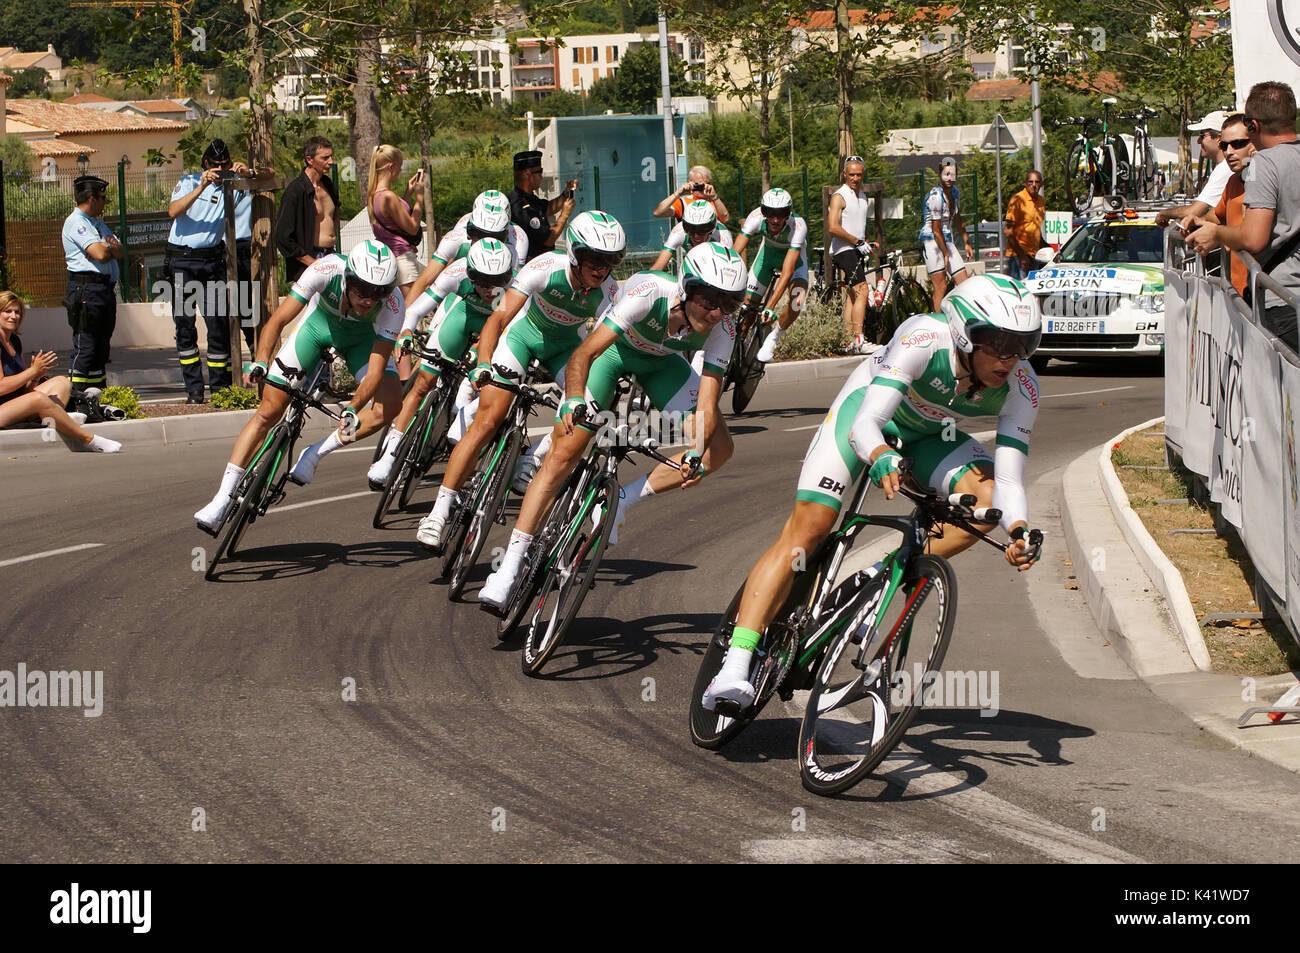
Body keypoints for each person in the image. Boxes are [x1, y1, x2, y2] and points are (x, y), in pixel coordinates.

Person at [702, 274, 1044, 711]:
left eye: (1021, 346)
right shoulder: (923, 338)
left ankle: (882, 576)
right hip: (870, 414)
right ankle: (734, 664)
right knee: (811, 528)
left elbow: (1011, 480)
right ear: (962, 333)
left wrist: (1018, 531)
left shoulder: (1024, 387)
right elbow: (867, 423)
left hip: (932, 435)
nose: (1009, 359)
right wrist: (880, 454)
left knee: (987, 510)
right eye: (996, 343)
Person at [478, 242, 748, 609]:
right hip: (613, 354)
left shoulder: (724, 329)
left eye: (727, 304)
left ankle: (622, 498)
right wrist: (573, 398)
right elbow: (585, 353)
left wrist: (696, 452)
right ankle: (509, 565)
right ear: (686, 289)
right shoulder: (647, 293)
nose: (716, 312)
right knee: (565, 452)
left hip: (663, 365)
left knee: (721, 448)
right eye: (709, 300)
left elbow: (707, 402)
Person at [415, 210, 623, 553]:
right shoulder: (544, 268)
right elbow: (498, 319)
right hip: (522, 338)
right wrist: (483, 364)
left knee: (586, 408)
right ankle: (438, 512)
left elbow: (599, 353)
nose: (601, 268)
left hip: (565, 350)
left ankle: (532, 457)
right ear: (574, 253)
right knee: (487, 421)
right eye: (593, 259)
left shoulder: (609, 292)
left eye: (610, 261)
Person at [193, 241, 405, 532]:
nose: (370, 299)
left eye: (379, 291)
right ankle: (221, 498)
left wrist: (352, 409)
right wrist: (260, 360)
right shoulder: (326, 269)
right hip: (317, 328)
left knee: (390, 405)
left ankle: (315, 453)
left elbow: (375, 373)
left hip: (361, 341)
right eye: (363, 289)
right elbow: (277, 320)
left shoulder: (393, 304)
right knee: (269, 411)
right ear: (348, 278)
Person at [367, 238, 516, 488]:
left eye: (497, 282)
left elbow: (513, 330)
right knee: (422, 384)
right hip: (462, 319)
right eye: (482, 282)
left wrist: (480, 354)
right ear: (470, 274)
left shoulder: (515, 285)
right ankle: (390, 453)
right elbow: (415, 310)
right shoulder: (456, 273)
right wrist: (405, 333)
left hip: (499, 330)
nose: (490, 289)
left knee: (488, 387)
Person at [1188, 82, 1300, 350]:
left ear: (1253, 126)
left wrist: (1216, 233)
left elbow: (1253, 238)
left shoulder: (1264, 163)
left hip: (1283, 303)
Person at [166, 138, 253, 403]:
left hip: (211, 261)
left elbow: (267, 177)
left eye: (224, 164)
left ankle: (220, 389)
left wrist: (247, 173)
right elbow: (174, 211)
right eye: (215, 166)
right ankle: (193, 389)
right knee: (184, 326)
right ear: (205, 165)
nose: (220, 170)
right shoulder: (189, 182)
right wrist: (203, 184)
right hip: (181, 260)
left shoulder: (234, 185)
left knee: (217, 326)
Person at [0, 291, 121, 452]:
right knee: (38, 398)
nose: (13, 316)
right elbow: (1, 387)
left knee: (62, 382)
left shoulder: (15, 341)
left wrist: (35, 376)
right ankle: (88, 439)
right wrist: (32, 371)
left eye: (17, 312)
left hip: (14, 405)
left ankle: (51, 417)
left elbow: (23, 391)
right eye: (7, 311)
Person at [732, 188, 810, 364]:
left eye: (781, 214)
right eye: (770, 213)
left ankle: (774, 337)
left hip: (794, 262)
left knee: (797, 300)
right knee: (748, 306)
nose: (775, 219)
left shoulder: (798, 225)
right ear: (763, 211)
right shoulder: (755, 217)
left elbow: (787, 271)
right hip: (766, 259)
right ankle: (740, 343)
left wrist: (770, 306)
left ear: (788, 213)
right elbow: (735, 253)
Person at [62, 173, 122, 398]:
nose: (105, 203)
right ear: (91, 198)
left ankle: (97, 396)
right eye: (103, 198)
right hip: (86, 290)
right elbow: (101, 253)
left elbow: (120, 251)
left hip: (104, 289)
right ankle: (75, 396)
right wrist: (106, 248)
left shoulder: (97, 223)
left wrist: (108, 248)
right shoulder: (76, 222)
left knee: (101, 348)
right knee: (85, 346)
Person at [1184, 114, 1256, 297]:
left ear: (1255, 143)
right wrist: (1196, 222)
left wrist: (1216, 235)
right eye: (1224, 146)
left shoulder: (1259, 178)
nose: (1229, 152)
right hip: (1237, 292)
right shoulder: (1234, 180)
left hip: (1263, 296)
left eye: (1238, 144)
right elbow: (1217, 216)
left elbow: (1252, 234)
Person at [826, 155, 880, 352]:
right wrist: (857, 242)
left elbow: (857, 226)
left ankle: (848, 340)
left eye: (859, 174)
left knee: (852, 295)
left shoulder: (863, 196)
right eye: (851, 174)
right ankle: (859, 339)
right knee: (862, 291)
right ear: (844, 174)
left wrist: (865, 242)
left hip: (855, 249)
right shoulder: (839, 196)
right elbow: (833, 227)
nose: (855, 178)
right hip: (844, 250)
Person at [275, 136, 339, 285]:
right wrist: (311, 262)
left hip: (330, 254)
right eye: (325, 158)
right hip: (309, 261)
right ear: (309, 160)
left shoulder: (327, 184)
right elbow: (282, 237)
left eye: (331, 156)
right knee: (312, 307)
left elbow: (336, 211)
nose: (330, 161)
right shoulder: (295, 191)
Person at [367, 144, 425, 296]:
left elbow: (394, 220)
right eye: (400, 166)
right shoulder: (388, 196)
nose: (401, 170)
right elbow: (412, 227)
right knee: (412, 308)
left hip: (389, 256)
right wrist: (420, 198)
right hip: (403, 258)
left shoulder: (374, 195)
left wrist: (408, 193)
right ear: (391, 166)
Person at [1155, 111, 1231, 228]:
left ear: (1218, 138)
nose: (1198, 141)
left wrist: (1163, 214)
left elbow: (1192, 211)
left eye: (1202, 136)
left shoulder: (1225, 169)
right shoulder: (1225, 167)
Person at [919, 156, 974, 311]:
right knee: (941, 286)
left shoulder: (955, 193)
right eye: (946, 174)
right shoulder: (935, 196)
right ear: (939, 174)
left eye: (953, 174)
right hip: (932, 242)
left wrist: (966, 241)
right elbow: (936, 230)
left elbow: (956, 217)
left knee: (963, 282)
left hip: (947, 241)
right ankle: (937, 320)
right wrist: (945, 253)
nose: (949, 178)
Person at [507, 150, 577, 262]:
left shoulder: (528, 197)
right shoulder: (520, 206)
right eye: (539, 172)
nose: (542, 177)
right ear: (527, 174)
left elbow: (548, 208)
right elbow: (549, 239)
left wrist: (565, 194)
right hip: (533, 265)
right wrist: (564, 215)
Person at [649, 199, 733, 272]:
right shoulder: (679, 231)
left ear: (711, 228)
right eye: (690, 229)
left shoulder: (723, 236)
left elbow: (728, 270)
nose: (696, 236)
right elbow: (658, 267)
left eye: (701, 230)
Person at [651, 164, 730, 225]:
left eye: (706, 184)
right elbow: (657, 213)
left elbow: (725, 219)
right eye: (698, 185)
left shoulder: (714, 202)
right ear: (690, 182)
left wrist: (715, 197)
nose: (702, 188)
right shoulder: (683, 203)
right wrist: (677, 194)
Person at [1003, 170, 1046, 280]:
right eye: (1030, 182)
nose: (1034, 185)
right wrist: (1022, 255)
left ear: (1041, 184)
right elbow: (1008, 230)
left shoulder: (1041, 201)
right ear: (1025, 183)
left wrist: (1046, 249)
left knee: (1032, 292)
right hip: (1018, 256)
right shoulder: (1017, 200)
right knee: (1019, 292)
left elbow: (1035, 228)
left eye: (1037, 182)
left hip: (1034, 255)